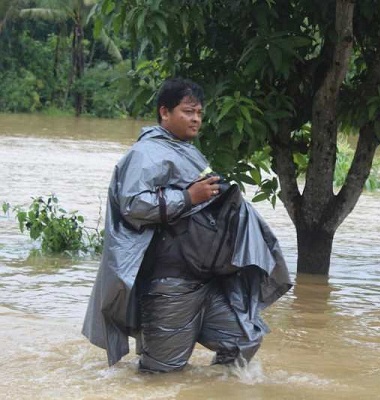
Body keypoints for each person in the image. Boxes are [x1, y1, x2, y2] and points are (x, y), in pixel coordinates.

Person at [82, 77, 292, 372]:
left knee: (244, 337)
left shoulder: (188, 151)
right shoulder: (145, 154)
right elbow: (133, 205)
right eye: (188, 111)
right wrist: (187, 197)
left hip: (207, 281)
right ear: (164, 112)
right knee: (161, 377)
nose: (196, 119)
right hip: (170, 285)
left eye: (199, 113)